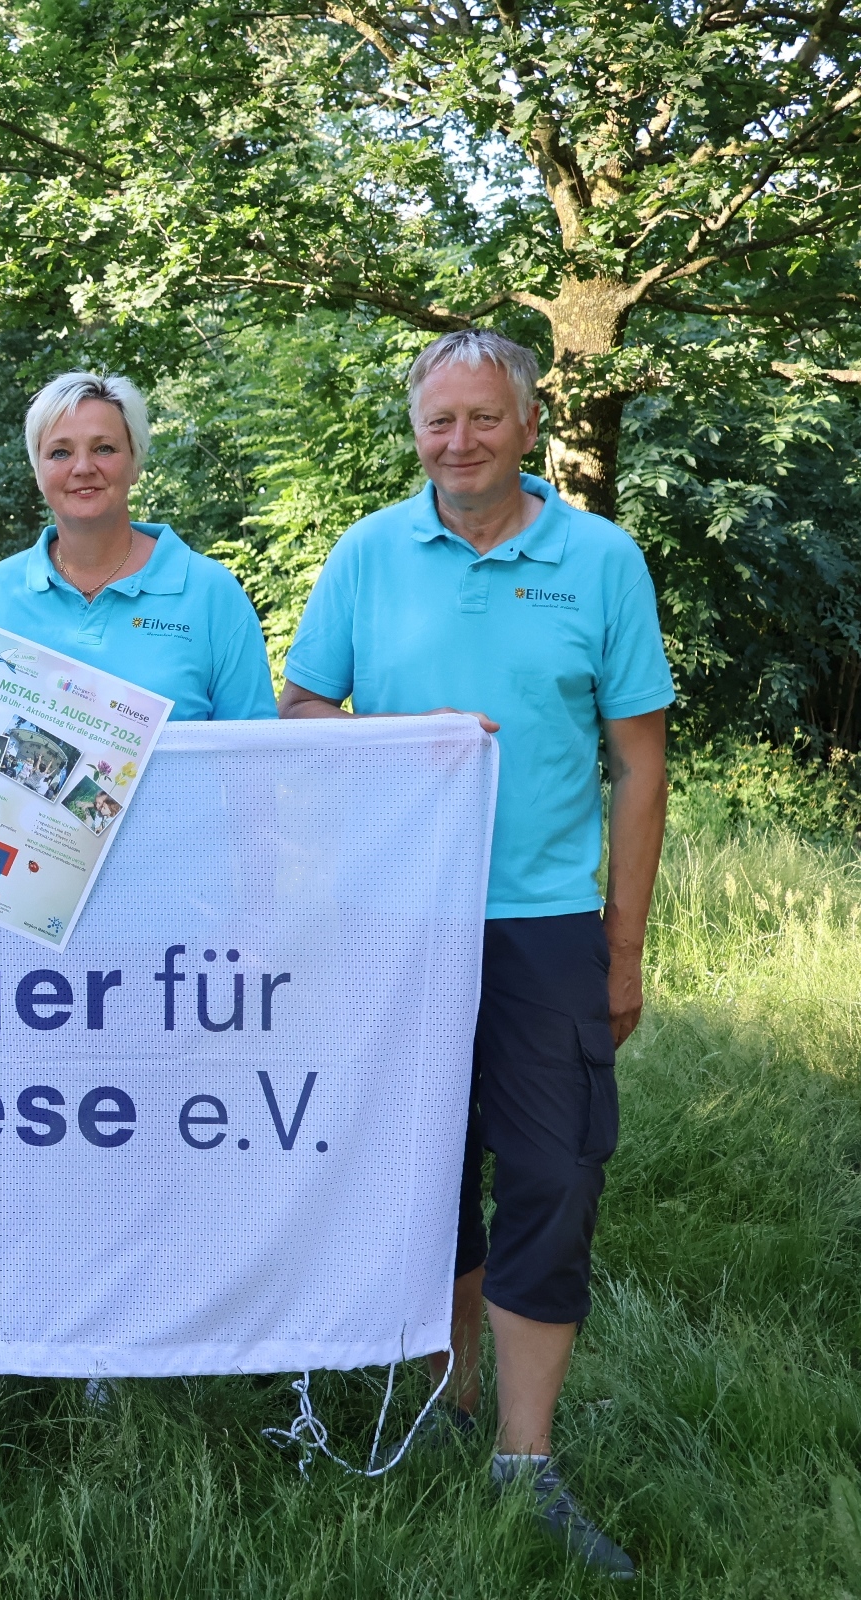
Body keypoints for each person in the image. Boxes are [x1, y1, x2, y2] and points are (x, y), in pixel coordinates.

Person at [279, 328, 672, 1578]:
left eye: (481, 421)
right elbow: (304, 715)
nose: (457, 443)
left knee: (554, 1176)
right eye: (436, 422)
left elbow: (639, 760)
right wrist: (410, 741)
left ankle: (525, 1459)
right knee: (417, 1169)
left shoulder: (601, 561)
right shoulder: (367, 555)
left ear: (529, 423)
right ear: (415, 430)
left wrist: (624, 944)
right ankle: (443, 1407)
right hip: (394, 916)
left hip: (548, 923)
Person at [0, 372, 275, 726]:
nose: (82, 468)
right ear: (39, 472)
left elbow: (255, 754)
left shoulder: (211, 593)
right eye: (60, 452)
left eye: (104, 448)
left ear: (135, 463)